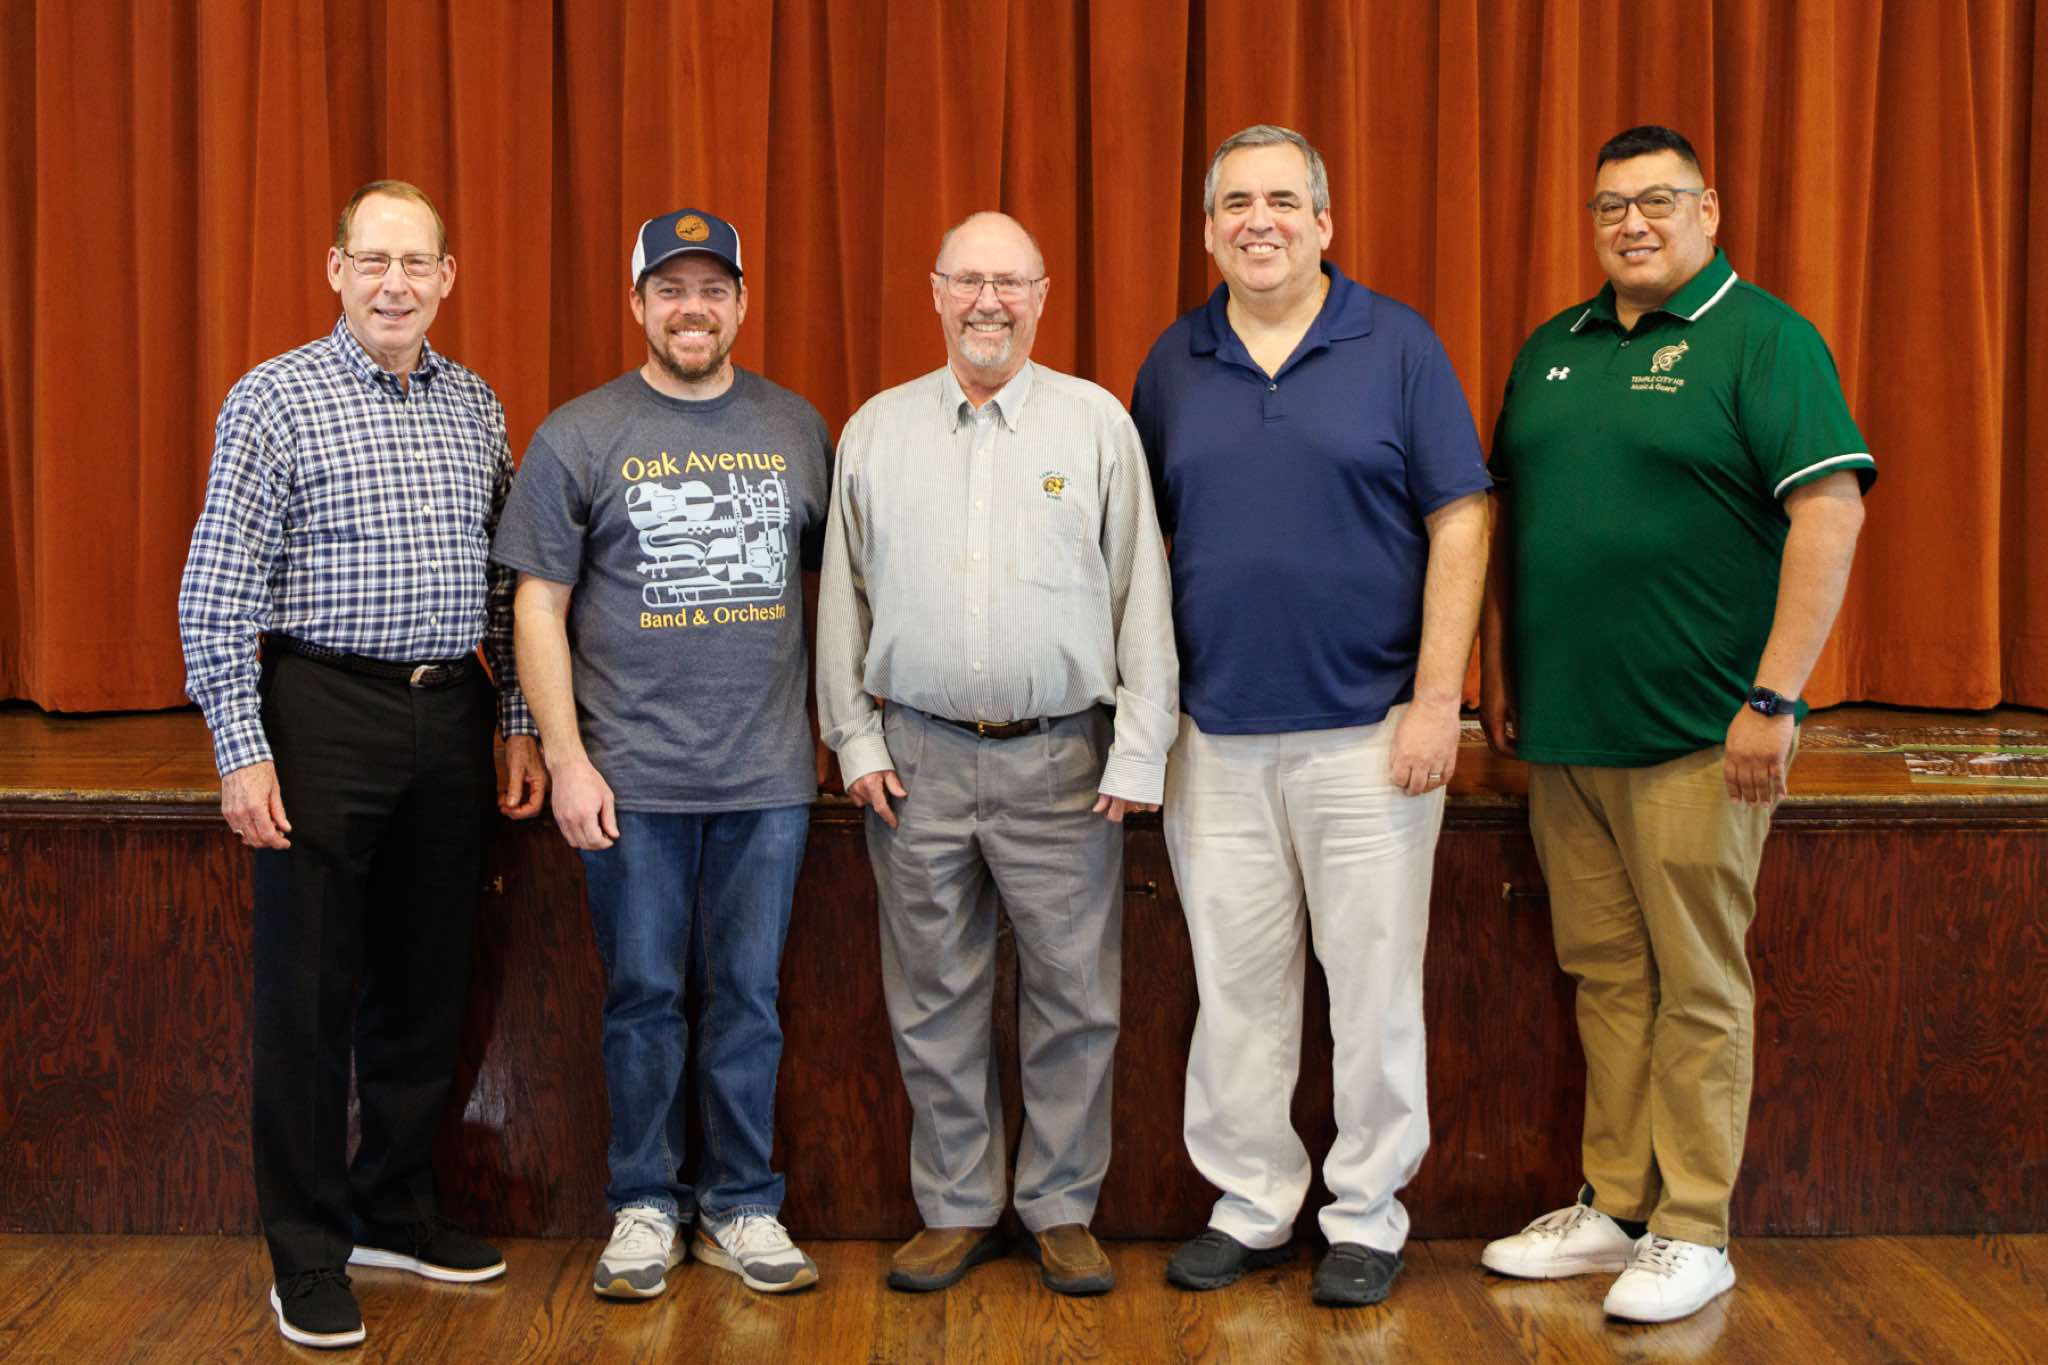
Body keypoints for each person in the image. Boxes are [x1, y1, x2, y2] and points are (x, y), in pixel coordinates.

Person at [1477, 124, 1874, 1324]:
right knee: (1604, 976)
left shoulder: (1763, 339)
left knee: (1696, 984)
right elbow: (1515, 523)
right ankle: (1614, 1204)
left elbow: (1829, 513)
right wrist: (1502, 670)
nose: (1630, 224)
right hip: (1566, 735)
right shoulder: (1552, 347)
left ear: (1707, 210)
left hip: (1702, 732)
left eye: (1655, 201)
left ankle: (1693, 1228)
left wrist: (1773, 697)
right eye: (1609, 206)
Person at [177, 179, 546, 1351]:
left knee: (424, 983)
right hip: (321, 709)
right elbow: (217, 587)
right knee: (309, 996)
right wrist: (241, 749)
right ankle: (304, 1249)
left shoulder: (475, 404)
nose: (395, 283)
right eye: (373, 261)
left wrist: (517, 718)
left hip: (449, 713)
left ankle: (394, 1207)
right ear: (335, 270)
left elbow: (506, 583)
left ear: (447, 278)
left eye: (416, 263)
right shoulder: (273, 399)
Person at [1129, 124, 1491, 1308]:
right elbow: (1132, 548)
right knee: (1236, 993)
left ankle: (1366, 1214)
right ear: (1207, 231)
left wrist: (1436, 701)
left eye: (1282, 200)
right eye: (1236, 203)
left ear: (1324, 222)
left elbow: (1460, 519)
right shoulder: (1173, 362)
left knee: (1373, 992)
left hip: (1369, 736)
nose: (1259, 221)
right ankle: (1249, 1203)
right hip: (1214, 738)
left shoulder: (1397, 346)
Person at [816, 211, 1177, 1298]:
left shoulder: (1095, 425)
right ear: (934, 292)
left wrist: (1139, 749)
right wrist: (854, 736)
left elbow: (1141, 594)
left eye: (1009, 283)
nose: (988, 302)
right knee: (933, 995)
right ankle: (958, 1206)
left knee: (1075, 997)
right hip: (915, 762)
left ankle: (1060, 1207)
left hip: (1064, 762)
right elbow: (841, 601)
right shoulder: (876, 431)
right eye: (968, 281)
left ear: (1041, 296)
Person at [493, 208, 831, 1298]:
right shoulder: (579, 434)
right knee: (643, 997)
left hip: (765, 779)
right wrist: (567, 756)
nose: (694, 309)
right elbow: (536, 606)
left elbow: (842, 589)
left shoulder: (796, 427)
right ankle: (643, 1203)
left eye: (713, 289)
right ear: (636, 303)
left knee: (747, 998)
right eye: (672, 290)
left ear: (741, 303)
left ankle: (741, 1205)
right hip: (629, 782)